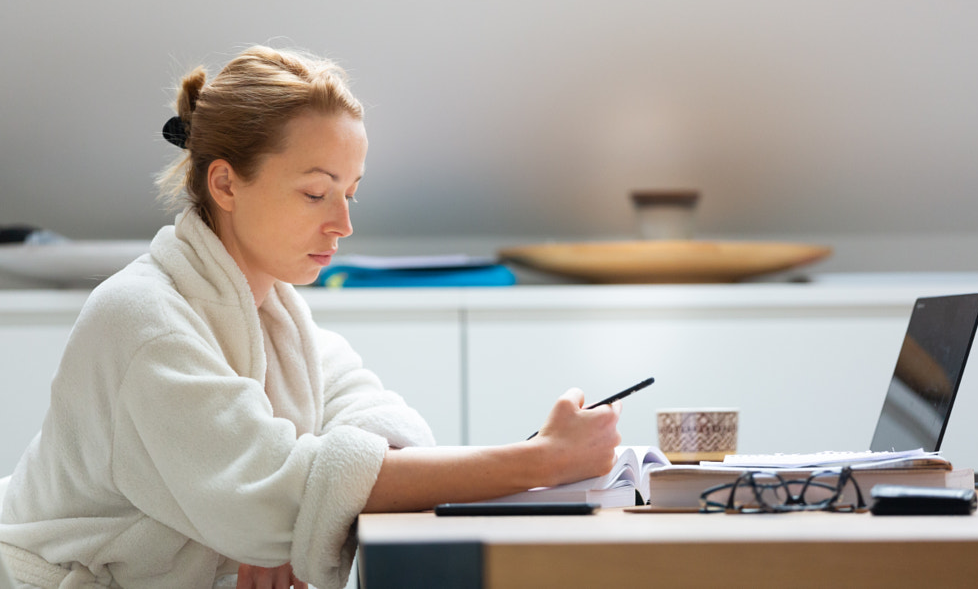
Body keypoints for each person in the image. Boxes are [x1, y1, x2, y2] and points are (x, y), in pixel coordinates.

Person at [0, 46, 621, 589]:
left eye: (350, 193)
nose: (343, 224)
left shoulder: (270, 310)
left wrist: (288, 515)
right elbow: (280, 502)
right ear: (225, 184)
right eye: (315, 192)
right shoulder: (146, 320)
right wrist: (540, 462)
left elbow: (388, 422)